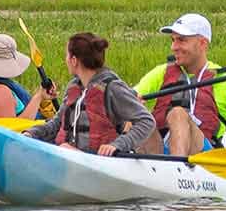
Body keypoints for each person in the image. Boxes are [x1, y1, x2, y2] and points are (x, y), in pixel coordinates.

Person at [133, 13, 226, 157]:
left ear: (202, 44)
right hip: (158, 150)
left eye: (181, 40)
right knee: (133, 112)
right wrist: (131, 102)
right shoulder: (161, 72)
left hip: (203, 156)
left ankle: (176, 168)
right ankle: (117, 156)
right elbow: (130, 99)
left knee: (178, 114)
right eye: (173, 40)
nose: (174, 47)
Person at [21, 33, 154, 156]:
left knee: (65, 149)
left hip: (99, 162)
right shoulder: (74, 86)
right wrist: (31, 134)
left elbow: (147, 121)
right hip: (68, 155)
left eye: (66, 56)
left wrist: (117, 145)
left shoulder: (112, 88)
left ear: (74, 60)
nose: (65, 60)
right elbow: (58, 123)